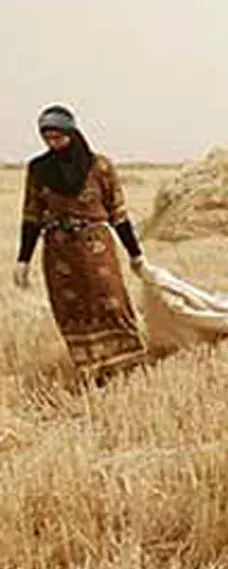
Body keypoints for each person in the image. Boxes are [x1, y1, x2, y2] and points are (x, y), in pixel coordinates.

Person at [13, 105, 149, 384]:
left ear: (72, 134)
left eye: (58, 137)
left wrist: (136, 255)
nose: (53, 144)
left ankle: (129, 366)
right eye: (47, 138)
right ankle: (91, 369)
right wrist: (23, 260)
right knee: (71, 309)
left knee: (111, 300)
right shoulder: (38, 169)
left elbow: (119, 215)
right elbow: (32, 216)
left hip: (96, 248)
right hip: (59, 252)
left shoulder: (100, 167)